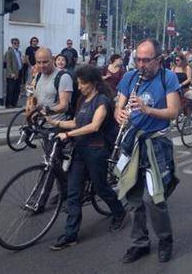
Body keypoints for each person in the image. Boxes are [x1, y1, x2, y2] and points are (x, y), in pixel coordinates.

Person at [46, 65, 127, 250]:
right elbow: (77, 121)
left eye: (82, 83)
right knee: (73, 193)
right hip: (80, 151)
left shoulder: (102, 101)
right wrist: (56, 122)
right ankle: (70, 235)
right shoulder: (83, 100)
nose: (79, 87)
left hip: (96, 151)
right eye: (78, 83)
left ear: (92, 83)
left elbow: (94, 126)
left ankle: (120, 213)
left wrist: (68, 135)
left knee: (101, 187)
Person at [115, 38, 180, 264]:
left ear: (158, 60)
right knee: (132, 196)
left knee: (155, 198)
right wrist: (119, 114)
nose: (141, 64)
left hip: (156, 144)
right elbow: (118, 106)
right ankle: (139, 242)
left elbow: (173, 112)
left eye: (146, 60)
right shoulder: (129, 77)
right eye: (138, 59)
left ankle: (165, 239)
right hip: (132, 141)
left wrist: (147, 109)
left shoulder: (167, 77)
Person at [26, 48, 74, 121]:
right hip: (39, 124)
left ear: (53, 59)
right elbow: (31, 92)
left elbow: (64, 106)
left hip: (56, 126)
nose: (42, 65)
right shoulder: (38, 75)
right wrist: (30, 103)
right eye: (38, 62)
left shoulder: (63, 77)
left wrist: (45, 111)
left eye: (45, 62)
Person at [4, 38, 23, 108]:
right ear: (12, 44)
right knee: (10, 89)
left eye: (18, 43)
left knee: (17, 89)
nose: (16, 44)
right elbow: (8, 63)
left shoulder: (19, 52)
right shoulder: (9, 52)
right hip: (12, 74)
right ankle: (8, 104)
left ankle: (14, 103)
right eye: (15, 43)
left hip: (19, 72)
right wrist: (11, 73)